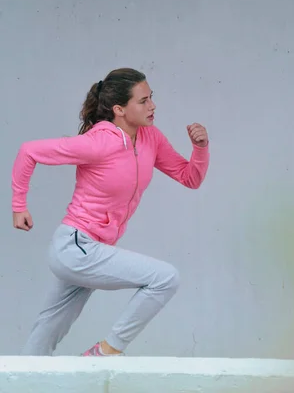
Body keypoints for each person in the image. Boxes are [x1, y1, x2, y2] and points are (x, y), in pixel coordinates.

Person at [11, 67, 210, 356]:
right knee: (165, 278)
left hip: (91, 249)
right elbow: (29, 151)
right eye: (143, 101)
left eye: (151, 97)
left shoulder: (150, 138)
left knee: (48, 330)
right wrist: (19, 206)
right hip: (76, 247)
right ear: (119, 109)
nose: (152, 106)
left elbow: (189, 177)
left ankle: (24, 381)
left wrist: (200, 148)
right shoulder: (99, 142)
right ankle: (106, 352)